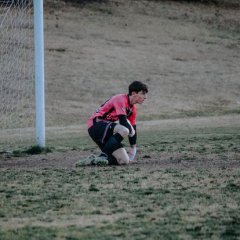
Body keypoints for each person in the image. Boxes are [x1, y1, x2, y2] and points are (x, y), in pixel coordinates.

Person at [87, 81, 148, 165]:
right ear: (134, 93)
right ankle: (103, 155)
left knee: (124, 161)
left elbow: (133, 128)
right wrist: (131, 131)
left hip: (106, 129)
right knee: (124, 130)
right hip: (96, 124)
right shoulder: (120, 99)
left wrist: (133, 148)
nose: (145, 97)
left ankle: (93, 161)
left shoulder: (132, 110)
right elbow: (123, 123)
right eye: (143, 93)